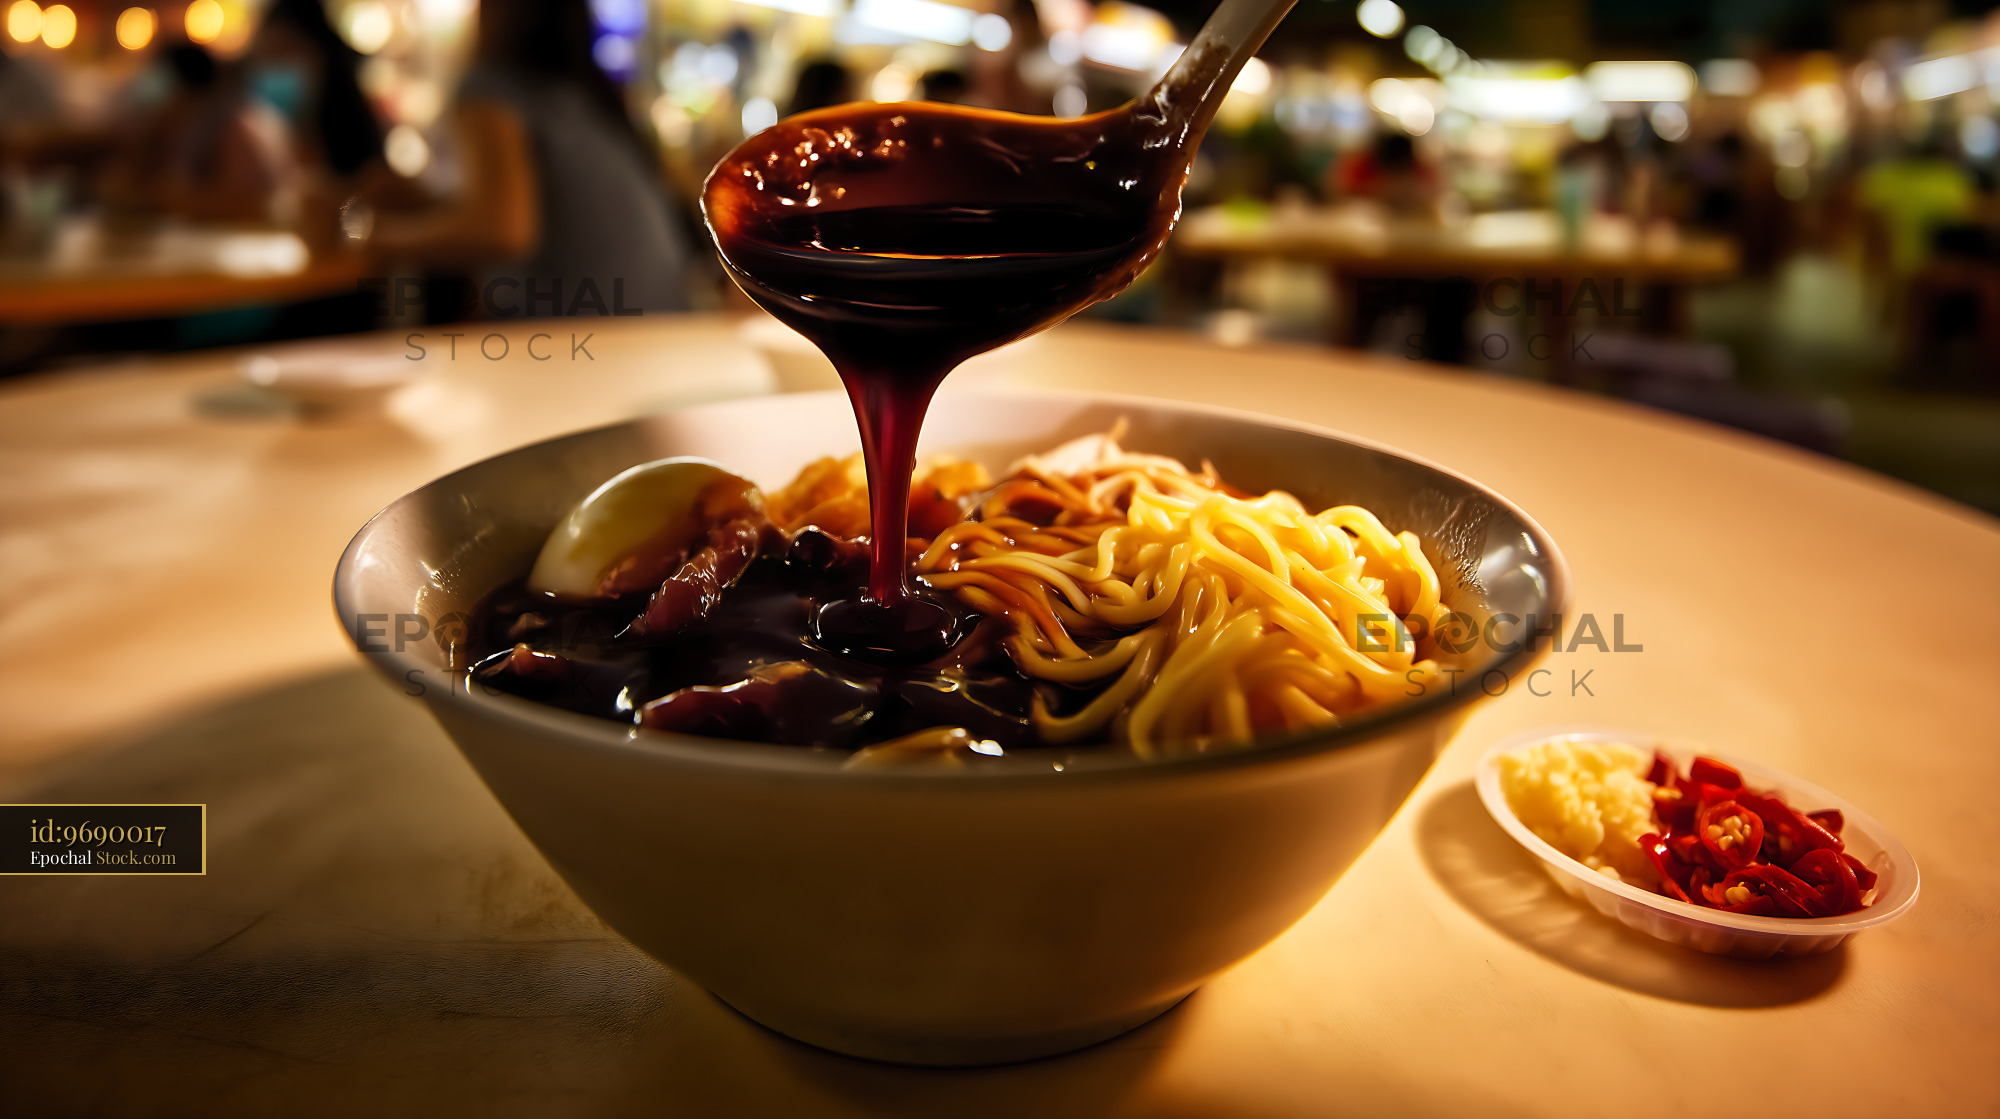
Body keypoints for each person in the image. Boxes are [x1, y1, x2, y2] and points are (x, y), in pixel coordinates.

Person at [369, 0, 689, 316]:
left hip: (591, 338)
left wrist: (374, 238)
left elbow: (503, 232)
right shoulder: (585, 94)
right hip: (665, 323)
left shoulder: (494, 86)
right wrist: (422, 203)